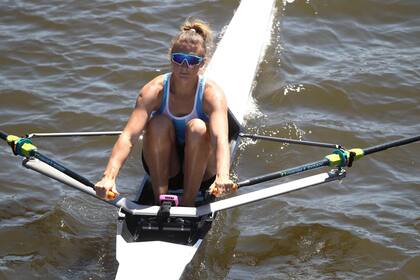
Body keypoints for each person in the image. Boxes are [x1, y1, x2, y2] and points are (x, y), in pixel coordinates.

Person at [95, 19, 235, 206]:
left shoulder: (212, 94)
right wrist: (108, 177)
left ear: (203, 64)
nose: (185, 66)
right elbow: (129, 136)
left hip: (202, 172)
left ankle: (187, 203)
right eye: (178, 59)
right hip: (168, 165)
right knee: (157, 123)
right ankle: (159, 199)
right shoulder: (154, 90)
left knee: (198, 127)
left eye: (192, 61)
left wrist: (223, 176)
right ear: (171, 58)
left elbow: (220, 138)